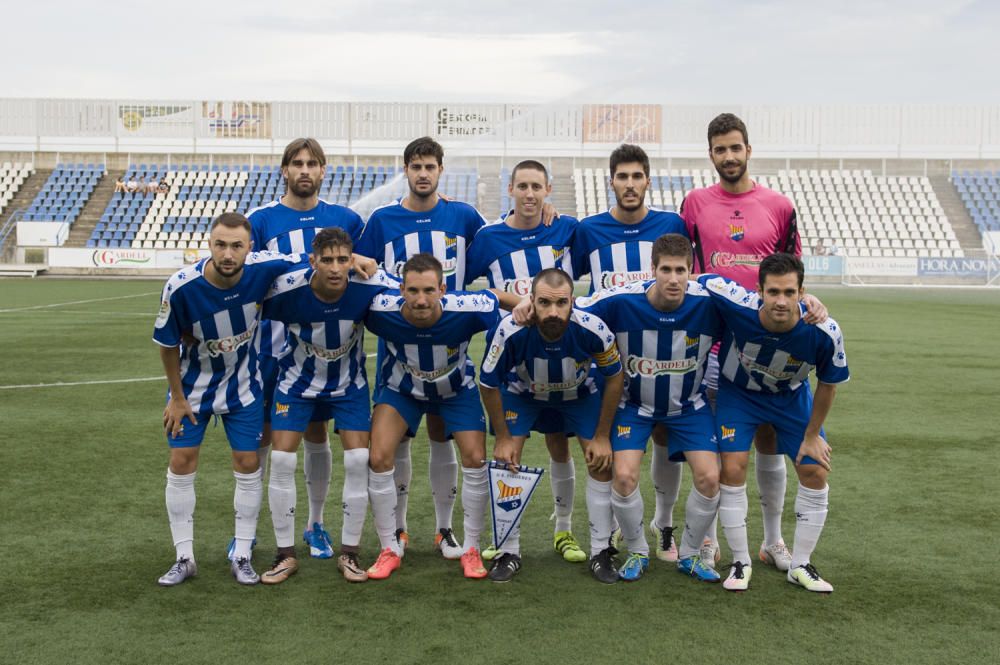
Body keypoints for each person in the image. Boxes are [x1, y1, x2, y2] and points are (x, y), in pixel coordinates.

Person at [355, 137, 489, 561]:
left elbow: (497, 246)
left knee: (440, 438)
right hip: (400, 355)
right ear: (406, 171)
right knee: (396, 443)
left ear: (440, 170)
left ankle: (445, 529)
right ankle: (397, 529)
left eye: (430, 166)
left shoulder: (464, 216)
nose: (423, 173)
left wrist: (543, 214)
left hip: (450, 350)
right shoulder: (382, 220)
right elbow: (359, 267)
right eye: (415, 166)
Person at [681, 113, 805, 571]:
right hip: (713, 346)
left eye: (735, 147)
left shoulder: (779, 205)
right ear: (711, 154)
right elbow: (687, 267)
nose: (728, 156)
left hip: (768, 348)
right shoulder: (694, 203)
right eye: (720, 149)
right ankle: (711, 539)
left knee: (769, 438)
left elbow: (793, 272)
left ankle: (772, 541)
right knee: (718, 445)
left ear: (748, 150)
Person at [242, 138, 373, 563]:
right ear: (284, 170)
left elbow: (366, 263)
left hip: (323, 352)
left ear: (323, 170)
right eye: (296, 163)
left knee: (317, 436)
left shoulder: (346, 218)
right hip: (267, 349)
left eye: (312, 163)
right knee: (262, 439)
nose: (304, 170)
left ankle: (315, 525)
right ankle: (250, 532)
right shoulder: (260, 220)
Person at [152, 213, 300, 587]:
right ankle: (184, 557)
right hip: (192, 390)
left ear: (250, 248)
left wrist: (361, 260)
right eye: (221, 244)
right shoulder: (181, 286)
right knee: (181, 461)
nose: (228, 253)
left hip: (243, 387)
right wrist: (178, 398)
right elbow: (168, 345)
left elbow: (309, 263)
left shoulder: (264, 267)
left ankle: (243, 554)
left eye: (237, 246)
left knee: (248, 462)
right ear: (209, 244)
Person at [362, 253, 523, 580]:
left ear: (443, 289)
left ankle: (472, 548)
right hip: (402, 390)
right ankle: (389, 548)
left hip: (454, 391)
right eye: (413, 291)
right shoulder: (380, 308)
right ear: (401, 289)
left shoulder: (467, 306)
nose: (421, 300)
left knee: (476, 459)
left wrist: (527, 304)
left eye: (429, 291)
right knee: (378, 457)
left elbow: (497, 296)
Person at [575, 234, 724, 584]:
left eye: (681, 271)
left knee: (710, 478)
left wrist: (807, 303)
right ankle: (638, 550)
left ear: (691, 271)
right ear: (652, 269)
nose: (674, 279)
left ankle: (688, 554)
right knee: (624, 477)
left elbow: (756, 307)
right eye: (666, 270)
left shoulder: (709, 304)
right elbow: (571, 311)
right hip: (634, 406)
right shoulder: (621, 301)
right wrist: (525, 307)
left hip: (689, 407)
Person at [569, 143, 690, 564]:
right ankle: (614, 530)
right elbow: (569, 278)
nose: (630, 183)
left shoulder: (672, 224)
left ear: (648, 180)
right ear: (611, 182)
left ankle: (665, 522)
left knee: (663, 434)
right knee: (610, 447)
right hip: (609, 362)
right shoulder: (588, 230)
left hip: (664, 353)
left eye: (637, 176)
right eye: (622, 176)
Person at [702, 253, 849, 592]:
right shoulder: (737, 304)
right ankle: (741, 561)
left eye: (789, 292)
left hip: (790, 396)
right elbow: (700, 279)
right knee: (733, 467)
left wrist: (812, 435)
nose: (781, 301)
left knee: (815, 468)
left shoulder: (824, 331)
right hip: (738, 394)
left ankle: (801, 564)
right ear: (759, 291)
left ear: (802, 292)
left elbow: (828, 384)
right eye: (773, 293)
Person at [258, 228, 398, 584]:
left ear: (352, 260)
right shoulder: (287, 288)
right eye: (327, 260)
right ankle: (284, 555)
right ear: (312, 261)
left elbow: (413, 292)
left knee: (357, 459)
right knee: (282, 459)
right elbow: (244, 291)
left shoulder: (368, 282)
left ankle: (349, 554)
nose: (336, 268)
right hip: (295, 384)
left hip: (348, 385)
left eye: (342, 260)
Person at [465, 160, 588, 564]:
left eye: (537, 187)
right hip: (515, 367)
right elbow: (468, 285)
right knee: (507, 452)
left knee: (559, 448)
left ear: (548, 190)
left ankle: (563, 530)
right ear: (510, 190)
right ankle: (506, 539)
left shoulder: (566, 230)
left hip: (564, 365)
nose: (531, 194)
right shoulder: (488, 238)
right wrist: (510, 301)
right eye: (523, 186)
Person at [480, 268, 622, 583]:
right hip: (524, 395)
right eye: (544, 303)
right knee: (507, 460)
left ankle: (601, 551)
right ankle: (509, 551)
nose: (553, 312)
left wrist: (601, 436)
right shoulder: (510, 329)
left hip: (578, 395)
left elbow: (614, 375)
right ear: (531, 300)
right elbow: (488, 384)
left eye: (561, 303)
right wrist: (502, 436)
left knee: (600, 462)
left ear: (574, 302)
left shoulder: (592, 327)